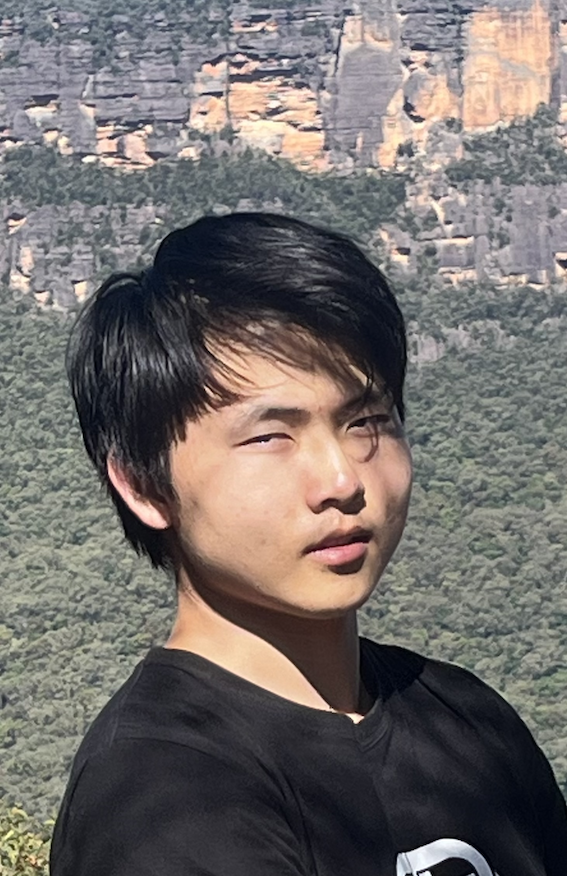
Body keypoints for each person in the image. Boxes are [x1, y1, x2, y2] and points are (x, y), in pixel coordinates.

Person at [50, 213, 566, 876]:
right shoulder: (162, 795)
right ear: (145, 486)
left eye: (366, 420)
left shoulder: (466, 718)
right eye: (269, 437)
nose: (342, 480)